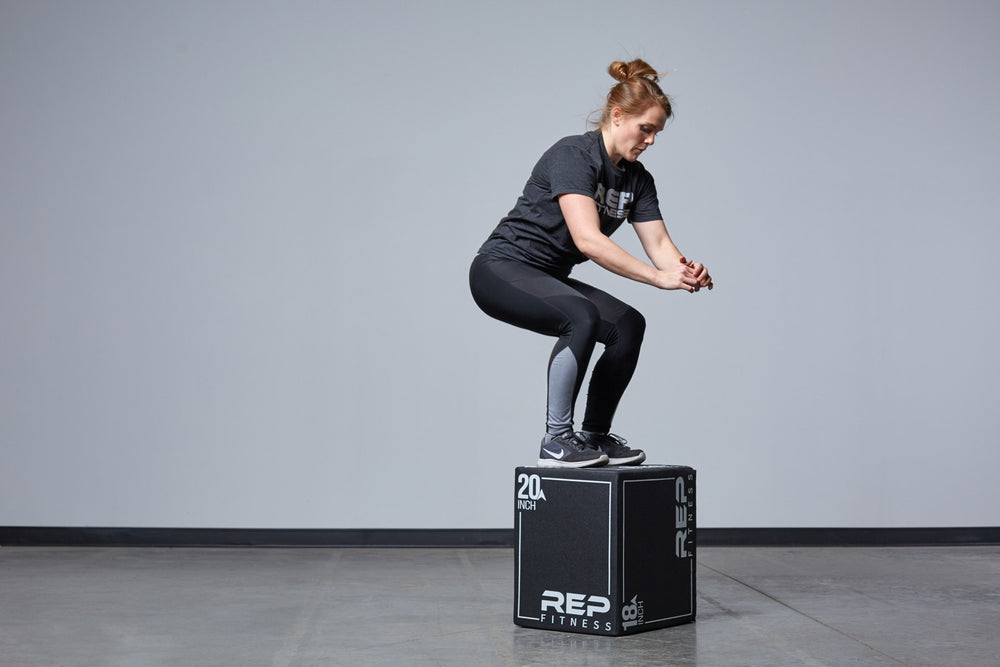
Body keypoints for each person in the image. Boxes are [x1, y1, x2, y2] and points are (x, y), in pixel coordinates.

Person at [469, 59, 713, 468]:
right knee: (580, 315)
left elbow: (659, 243)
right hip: (501, 270)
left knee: (628, 325)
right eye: (646, 129)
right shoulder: (574, 154)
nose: (651, 141)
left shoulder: (638, 180)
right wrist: (657, 277)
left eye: (657, 133)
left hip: (547, 277)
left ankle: (594, 435)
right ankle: (557, 440)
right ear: (618, 117)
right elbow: (589, 240)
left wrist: (684, 270)